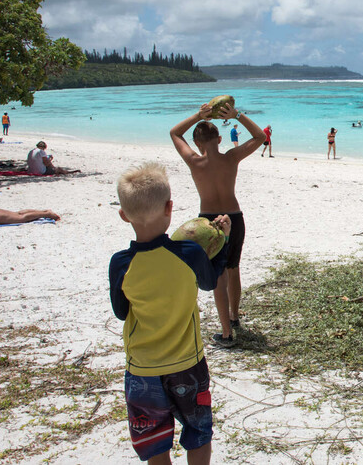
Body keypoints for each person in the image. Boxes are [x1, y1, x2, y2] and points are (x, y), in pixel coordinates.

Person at [109, 163, 227, 464]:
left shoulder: (121, 264)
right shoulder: (188, 254)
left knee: (155, 443)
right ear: (169, 208)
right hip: (188, 363)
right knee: (198, 433)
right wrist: (221, 240)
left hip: (142, 369)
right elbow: (209, 282)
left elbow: (122, 313)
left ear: (124, 215)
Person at [171, 102, 266, 347]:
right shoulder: (231, 157)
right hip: (234, 218)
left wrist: (197, 115)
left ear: (197, 143)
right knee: (234, 269)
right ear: (221, 138)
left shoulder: (194, 160)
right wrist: (237, 115)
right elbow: (259, 136)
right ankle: (234, 317)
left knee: (219, 276)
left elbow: (174, 133)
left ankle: (226, 333)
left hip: (208, 222)